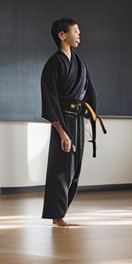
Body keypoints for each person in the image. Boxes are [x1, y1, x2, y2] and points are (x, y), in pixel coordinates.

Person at [40, 18, 98, 227]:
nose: (79, 34)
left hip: (78, 121)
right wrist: (61, 132)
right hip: (63, 121)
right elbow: (50, 99)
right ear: (62, 35)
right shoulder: (53, 64)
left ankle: (61, 212)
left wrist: (90, 116)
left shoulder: (79, 62)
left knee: (75, 170)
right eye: (75, 31)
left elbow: (88, 90)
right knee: (61, 170)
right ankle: (57, 216)